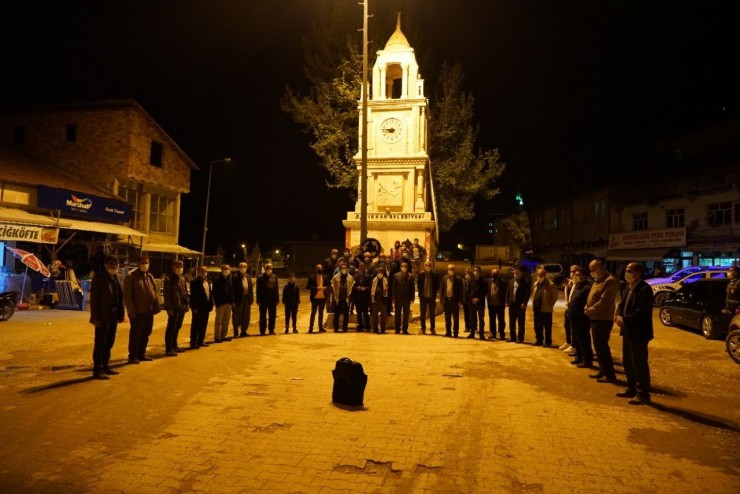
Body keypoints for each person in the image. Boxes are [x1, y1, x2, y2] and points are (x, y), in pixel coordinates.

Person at [615, 262, 655, 405]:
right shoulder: (628, 287)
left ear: (638, 273)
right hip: (627, 331)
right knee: (628, 362)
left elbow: (641, 312)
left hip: (639, 332)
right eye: (626, 270)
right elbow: (621, 305)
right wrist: (618, 315)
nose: (626, 273)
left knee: (639, 364)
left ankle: (643, 393)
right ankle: (631, 388)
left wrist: (624, 319)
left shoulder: (645, 289)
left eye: (629, 271)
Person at [89, 256, 124, 379]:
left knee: (109, 342)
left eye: (116, 263)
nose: (114, 266)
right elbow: (94, 300)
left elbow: (120, 298)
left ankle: (105, 366)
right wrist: (95, 318)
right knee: (100, 343)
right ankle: (97, 370)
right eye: (111, 263)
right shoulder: (99, 279)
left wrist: (121, 314)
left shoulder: (117, 278)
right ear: (105, 265)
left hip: (113, 316)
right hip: (103, 316)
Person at [585, 259, 620, 382]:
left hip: (603, 319)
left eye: (592, 270)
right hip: (595, 318)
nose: (591, 272)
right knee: (598, 347)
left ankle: (610, 375)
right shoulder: (597, 281)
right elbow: (592, 297)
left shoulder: (609, 281)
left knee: (603, 347)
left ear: (599, 268)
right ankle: (602, 370)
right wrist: (587, 306)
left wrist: (591, 310)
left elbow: (604, 302)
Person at [123, 256, 160, 363]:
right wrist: (131, 311)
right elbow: (127, 296)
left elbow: (154, 291)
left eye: (147, 263)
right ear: (138, 264)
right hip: (137, 311)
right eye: (143, 263)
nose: (145, 265)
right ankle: (133, 356)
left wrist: (156, 306)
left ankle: (141, 354)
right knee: (136, 334)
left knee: (146, 333)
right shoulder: (131, 277)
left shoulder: (150, 276)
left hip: (149, 310)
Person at [567, 267, 593, 368]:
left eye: (578, 275)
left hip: (581, 318)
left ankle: (587, 360)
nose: (576, 276)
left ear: (583, 276)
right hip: (574, 317)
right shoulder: (577, 285)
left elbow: (584, 303)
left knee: (583, 339)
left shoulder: (586, 287)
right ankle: (579, 357)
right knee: (577, 339)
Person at [163, 260, 189, 356]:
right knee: (171, 328)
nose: (180, 268)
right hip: (174, 308)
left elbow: (185, 292)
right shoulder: (169, 279)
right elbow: (167, 296)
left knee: (177, 327)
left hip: (181, 307)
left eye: (181, 266)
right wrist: (169, 308)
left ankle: (174, 345)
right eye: (178, 266)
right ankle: (169, 348)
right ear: (173, 267)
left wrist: (186, 305)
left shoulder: (182, 278)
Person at [531, 267, 558, 346]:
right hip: (537, 308)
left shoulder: (550, 284)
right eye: (538, 274)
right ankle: (539, 340)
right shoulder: (536, 284)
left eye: (541, 274)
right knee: (537, 325)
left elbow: (555, 297)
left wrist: (549, 305)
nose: (539, 276)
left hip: (546, 309)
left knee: (547, 326)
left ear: (545, 275)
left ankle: (548, 341)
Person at [189, 265, 213, 349]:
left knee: (204, 325)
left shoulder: (208, 282)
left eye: (205, 271)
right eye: (202, 272)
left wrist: (210, 305)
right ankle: (193, 343)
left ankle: (200, 341)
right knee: (196, 325)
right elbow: (193, 296)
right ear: (199, 272)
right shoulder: (194, 282)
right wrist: (194, 307)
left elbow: (209, 294)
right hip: (198, 308)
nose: (204, 273)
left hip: (206, 307)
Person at [506, 265, 531, 343]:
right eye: (514, 272)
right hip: (512, 304)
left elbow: (527, 293)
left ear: (521, 273)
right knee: (512, 322)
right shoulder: (511, 281)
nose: (515, 274)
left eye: (517, 272)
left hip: (520, 305)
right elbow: (508, 292)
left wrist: (524, 303)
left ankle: (520, 338)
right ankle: (512, 337)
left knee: (521, 322)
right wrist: (507, 302)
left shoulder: (526, 281)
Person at [212, 264, 234, 343]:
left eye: (228, 269)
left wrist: (231, 301)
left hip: (228, 303)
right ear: (221, 270)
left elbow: (231, 291)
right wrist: (217, 303)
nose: (226, 270)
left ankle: (224, 335)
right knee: (219, 321)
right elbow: (214, 293)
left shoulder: (230, 279)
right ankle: (217, 337)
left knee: (226, 320)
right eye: (225, 269)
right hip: (221, 304)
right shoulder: (217, 280)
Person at [560, 265, 580, 352]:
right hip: (567, 307)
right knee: (567, 325)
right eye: (571, 271)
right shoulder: (570, 283)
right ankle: (568, 341)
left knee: (573, 327)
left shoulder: (577, 284)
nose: (572, 273)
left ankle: (574, 345)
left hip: (574, 309)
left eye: (574, 271)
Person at [440, 264, 463, 338]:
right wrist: (441, 300)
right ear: (447, 270)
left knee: (455, 318)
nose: (450, 271)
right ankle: (448, 332)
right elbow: (442, 290)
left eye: (452, 270)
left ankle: (456, 332)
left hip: (454, 301)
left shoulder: (458, 279)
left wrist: (460, 301)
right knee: (447, 318)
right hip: (446, 301)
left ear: (454, 270)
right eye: (449, 269)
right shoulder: (444, 278)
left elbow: (460, 291)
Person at [256, 262, 279, 335]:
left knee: (272, 315)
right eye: (267, 268)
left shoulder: (274, 277)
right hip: (263, 300)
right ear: (265, 269)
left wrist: (277, 299)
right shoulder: (260, 278)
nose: (269, 270)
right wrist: (258, 300)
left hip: (272, 300)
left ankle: (271, 330)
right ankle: (262, 330)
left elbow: (276, 289)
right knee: (262, 316)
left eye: (270, 268)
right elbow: (258, 290)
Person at [417, 260, 439, 335]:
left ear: (431, 266)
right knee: (422, 313)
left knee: (432, 313)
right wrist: (420, 295)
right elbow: (419, 286)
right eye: (426, 265)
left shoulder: (435, 274)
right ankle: (423, 328)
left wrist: (435, 295)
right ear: (424, 266)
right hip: (423, 296)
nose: (427, 267)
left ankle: (432, 328)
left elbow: (437, 285)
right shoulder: (421, 274)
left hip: (431, 296)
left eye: (429, 265)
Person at [232, 262, 254, 337]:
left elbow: (250, 289)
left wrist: (251, 299)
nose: (243, 268)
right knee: (237, 316)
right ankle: (235, 331)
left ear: (247, 268)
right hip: (238, 299)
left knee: (246, 316)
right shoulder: (235, 277)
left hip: (247, 298)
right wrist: (233, 301)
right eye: (241, 267)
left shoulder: (248, 276)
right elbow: (232, 289)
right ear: (239, 268)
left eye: (244, 267)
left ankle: (243, 331)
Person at [392, 261, 415, 334]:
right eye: (402, 267)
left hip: (407, 298)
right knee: (397, 314)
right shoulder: (396, 276)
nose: (403, 268)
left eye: (405, 267)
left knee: (406, 314)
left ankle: (405, 329)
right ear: (400, 267)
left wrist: (412, 297)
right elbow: (393, 287)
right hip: (398, 298)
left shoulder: (411, 276)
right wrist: (393, 297)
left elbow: (412, 288)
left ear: (407, 268)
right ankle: (397, 329)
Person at [330, 263, 354, 332]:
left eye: (345, 268)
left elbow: (352, 288)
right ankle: (336, 328)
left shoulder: (350, 277)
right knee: (336, 314)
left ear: (347, 269)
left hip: (346, 299)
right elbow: (333, 287)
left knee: (346, 315)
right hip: (338, 299)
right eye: (342, 268)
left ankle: (345, 328)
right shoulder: (335, 277)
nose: (344, 269)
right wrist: (334, 298)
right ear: (340, 269)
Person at [467, 265, 488, 340]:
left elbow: (485, 292)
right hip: (472, 303)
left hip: (480, 303)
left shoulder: (484, 281)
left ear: (480, 272)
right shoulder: (470, 281)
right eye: (475, 271)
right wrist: (472, 299)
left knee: (481, 319)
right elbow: (468, 291)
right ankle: (472, 333)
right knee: (472, 318)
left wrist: (478, 299)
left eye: (477, 271)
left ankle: (481, 334)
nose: (476, 272)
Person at [486, 268, 507, 340]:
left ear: (498, 274)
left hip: (499, 304)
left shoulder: (503, 282)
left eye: (495, 273)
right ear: (491, 274)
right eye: (493, 273)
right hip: (491, 304)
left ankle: (501, 333)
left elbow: (506, 293)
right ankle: (493, 333)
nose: (494, 275)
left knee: (501, 320)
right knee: (492, 320)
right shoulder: (488, 281)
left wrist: (506, 302)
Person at [307, 264, 328, 333]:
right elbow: (308, 286)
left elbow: (328, 286)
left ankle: (320, 327)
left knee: (321, 313)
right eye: (319, 268)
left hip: (323, 298)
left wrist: (325, 288)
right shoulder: (312, 277)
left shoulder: (325, 277)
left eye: (321, 268)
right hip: (315, 298)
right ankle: (311, 328)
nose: (320, 269)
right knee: (313, 313)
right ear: (316, 269)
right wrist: (316, 288)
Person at [370, 267, 390, 333]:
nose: (380, 274)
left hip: (383, 300)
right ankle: (375, 329)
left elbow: (389, 291)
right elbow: (371, 290)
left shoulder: (386, 280)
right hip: (375, 300)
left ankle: (383, 329)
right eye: (378, 273)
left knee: (383, 316)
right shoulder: (373, 280)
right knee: (375, 315)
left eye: (381, 273)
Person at [353, 262, 371, 331]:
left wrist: (365, 288)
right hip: (357, 297)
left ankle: (367, 326)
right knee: (359, 313)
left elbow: (370, 287)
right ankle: (360, 326)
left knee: (366, 312)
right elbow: (352, 287)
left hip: (365, 297)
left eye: (363, 267)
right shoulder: (355, 277)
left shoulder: (368, 277)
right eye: (360, 267)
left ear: (365, 268)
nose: (361, 269)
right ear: (358, 268)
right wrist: (357, 288)